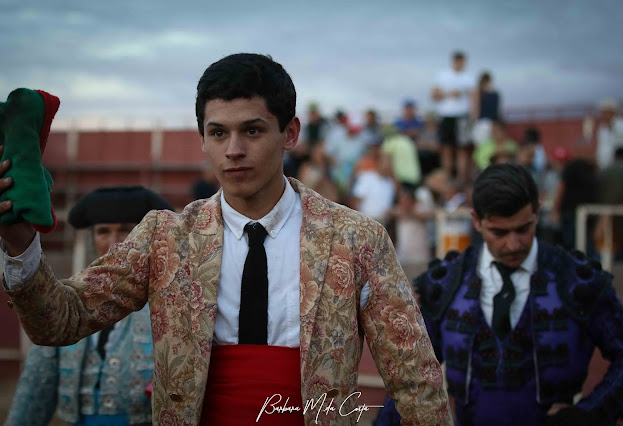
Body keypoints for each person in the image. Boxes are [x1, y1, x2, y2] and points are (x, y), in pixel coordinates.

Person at [0, 54, 452, 425]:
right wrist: (20, 244)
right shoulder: (165, 237)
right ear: (203, 139)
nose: (233, 150)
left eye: (252, 130)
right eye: (218, 133)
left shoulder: (356, 238)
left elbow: (415, 381)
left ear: (290, 133)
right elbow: (60, 321)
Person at [376, 163, 623, 426]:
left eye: (523, 229)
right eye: (499, 232)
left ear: (537, 212)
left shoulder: (575, 279)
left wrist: (589, 415)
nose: (513, 244)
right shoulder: (447, 283)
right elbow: (414, 376)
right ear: (476, 221)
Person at [6, 186, 173, 426]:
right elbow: (33, 397)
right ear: (92, 239)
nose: (115, 243)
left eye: (126, 230)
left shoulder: (170, 305)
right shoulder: (67, 301)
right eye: (103, 231)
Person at [431, 51, 475, 183]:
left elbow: (475, 98)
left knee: (462, 149)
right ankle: (447, 179)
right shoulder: (442, 76)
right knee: (446, 149)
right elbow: (434, 96)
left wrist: (474, 117)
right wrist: (449, 94)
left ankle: (462, 180)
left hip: (462, 116)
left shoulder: (468, 78)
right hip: (446, 116)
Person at [594, 98, 623, 170]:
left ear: (612, 112)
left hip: (619, 167)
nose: (603, 115)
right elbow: (600, 146)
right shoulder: (602, 128)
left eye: (605, 112)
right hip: (604, 166)